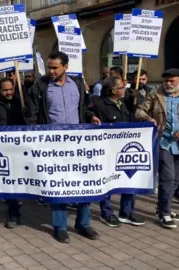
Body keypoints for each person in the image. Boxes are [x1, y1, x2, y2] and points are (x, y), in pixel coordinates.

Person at [28, 51, 101, 243]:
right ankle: (59, 226)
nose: (51, 71)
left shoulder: (77, 84)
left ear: (65, 67)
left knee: (84, 183)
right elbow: (33, 114)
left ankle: (83, 224)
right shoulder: (41, 86)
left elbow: (83, 107)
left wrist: (90, 116)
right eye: (49, 67)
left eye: (55, 67)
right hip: (53, 145)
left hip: (79, 143)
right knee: (59, 185)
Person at [93, 76, 145, 227]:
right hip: (108, 151)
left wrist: (135, 100)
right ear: (113, 90)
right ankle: (107, 213)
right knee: (108, 181)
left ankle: (126, 212)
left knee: (129, 178)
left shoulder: (126, 103)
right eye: (123, 87)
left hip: (125, 150)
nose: (126, 89)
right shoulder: (100, 104)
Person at [136, 68, 179, 229]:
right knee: (167, 177)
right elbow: (139, 111)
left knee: (175, 180)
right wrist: (149, 118)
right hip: (163, 143)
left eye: (171, 81)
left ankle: (162, 206)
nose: (168, 84)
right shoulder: (156, 95)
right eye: (165, 81)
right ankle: (165, 213)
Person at [0, 78, 27, 228]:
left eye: (11, 89)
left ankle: (15, 205)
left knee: (17, 180)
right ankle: (13, 213)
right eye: (5, 90)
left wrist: (25, 114)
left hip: (19, 148)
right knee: (9, 181)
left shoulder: (20, 102)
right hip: (1, 149)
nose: (9, 92)